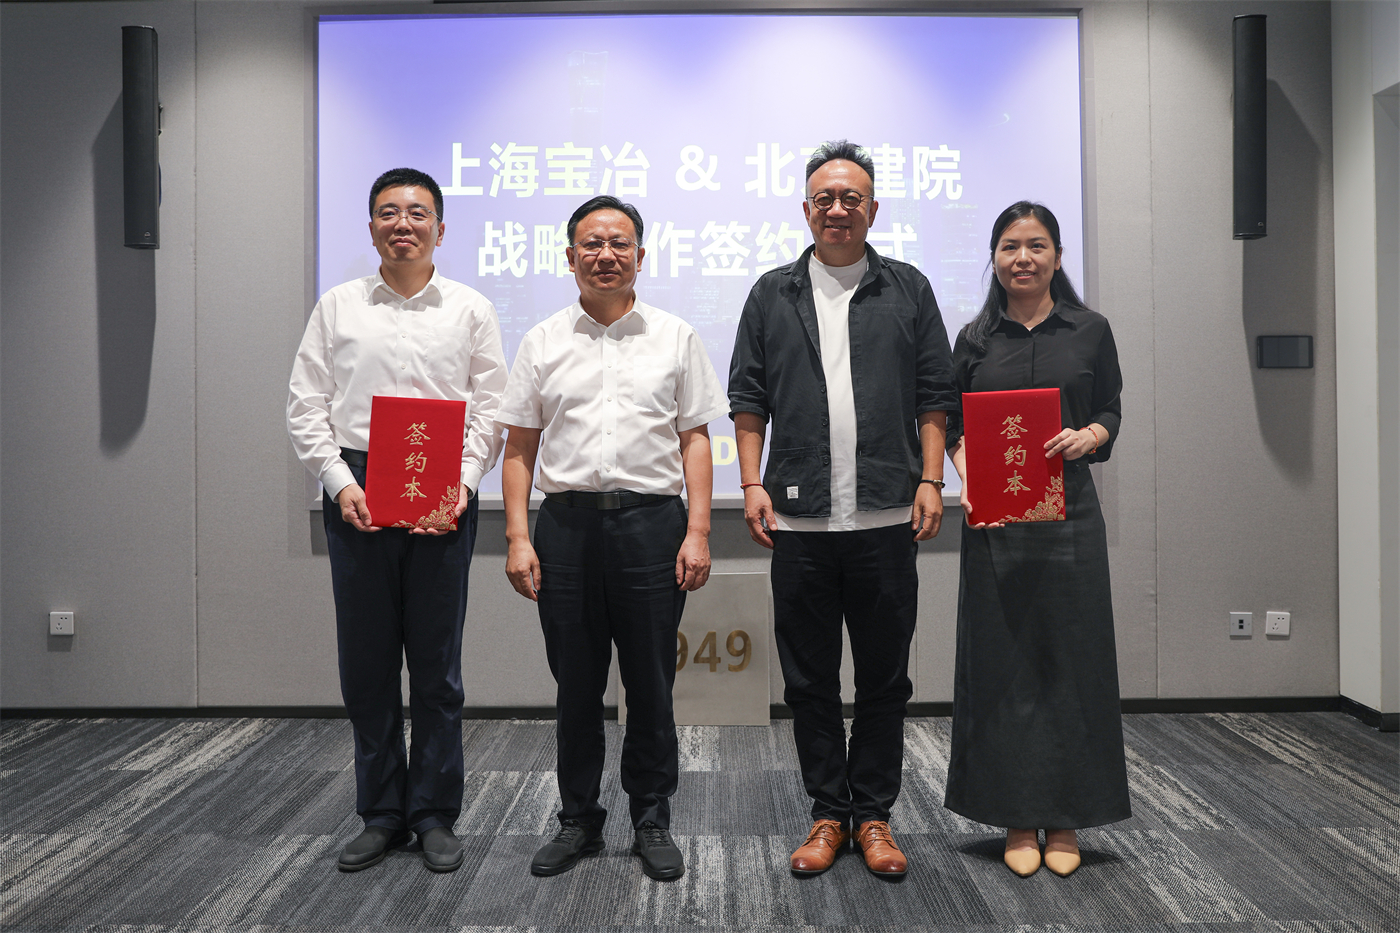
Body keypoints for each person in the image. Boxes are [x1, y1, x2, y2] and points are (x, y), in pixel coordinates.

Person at [728, 140, 957, 878]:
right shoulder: (773, 292)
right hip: (801, 523)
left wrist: (931, 478)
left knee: (886, 680)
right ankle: (828, 813)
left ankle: (876, 816)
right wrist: (751, 483)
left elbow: (935, 394)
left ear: (872, 209)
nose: (837, 209)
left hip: (887, 519)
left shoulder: (908, 288)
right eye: (824, 198)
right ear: (805, 209)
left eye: (850, 198)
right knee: (809, 681)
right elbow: (748, 396)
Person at [497, 195, 727, 881]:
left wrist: (698, 530)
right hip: (565, 528)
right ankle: (578, 819)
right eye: (591, 244)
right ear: (569, 257)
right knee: (575, 685)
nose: (606, 255)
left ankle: (651, 817)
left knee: (651, 682)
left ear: (640, 256)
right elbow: (519, 447)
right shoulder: (542, 340)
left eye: (619, 243)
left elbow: (695, 440)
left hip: (651, 526)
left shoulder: (675, 336)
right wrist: (517, 536)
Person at [287, 167, 507, 873]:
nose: (402, 224)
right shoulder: (338, 307)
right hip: (359, 490)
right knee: (368, 663)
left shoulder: (470, 308)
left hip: (443, 492)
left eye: (417, 212)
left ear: (440, 227)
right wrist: (339, 483)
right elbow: (305, 404)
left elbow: (490, 410)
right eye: (388, 212)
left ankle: (434, 813)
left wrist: (463, 485)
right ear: (372, 226)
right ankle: (381, 813)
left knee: (437, 667)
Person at [942, 201, 1130, 878]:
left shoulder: (1090, 329)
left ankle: (1068, 817)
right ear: (994, 257)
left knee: (1072, 663)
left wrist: (1092, 436)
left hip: (1069, 515)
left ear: (1056, 255)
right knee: (1004, 664)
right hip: (996, 523)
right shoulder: (973, 340)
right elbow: (950, 422)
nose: (1023, 258)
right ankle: (1018, 817)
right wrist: (970, 478)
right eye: (1010, 246)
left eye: (1037, 245)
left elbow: (1110, 407)